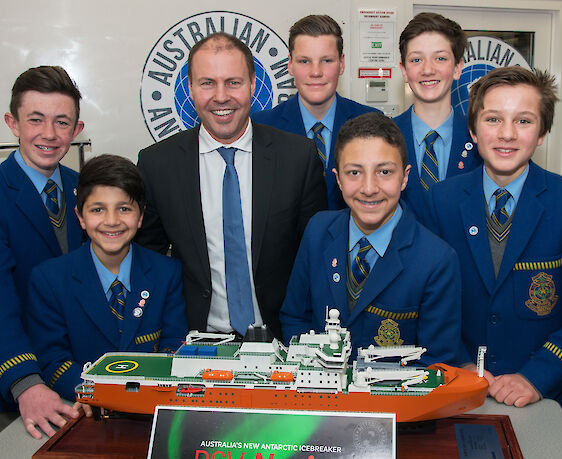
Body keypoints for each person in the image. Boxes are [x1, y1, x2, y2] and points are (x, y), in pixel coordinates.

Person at [423, 66, 562, 418]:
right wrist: (456, 363)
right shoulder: (440, 201)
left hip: (543, 398)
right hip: (455, 391)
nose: (506, 134)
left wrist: (536, 377)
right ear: (473, 129)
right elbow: (428, 302)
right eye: (493, 119)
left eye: (523, 121)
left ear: (543, 132)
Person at [136, 32, 327, 341]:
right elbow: (148, 262)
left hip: (282, 340)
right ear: (190, 89)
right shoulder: (157, 165)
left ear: (253, 84)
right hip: (193, 341)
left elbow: (316, 256)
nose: (221, 96)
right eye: (207, 83)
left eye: (233, 82)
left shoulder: (298, 157)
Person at [280, 112, 461, 365]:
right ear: (338, 180)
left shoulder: (436, 260)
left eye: (384, 171)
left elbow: (436, 361)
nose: (369, 188)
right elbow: (295, 317)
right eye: (354, 173)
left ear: (405, 177)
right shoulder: (318, 231)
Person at [26, 154, 188, 402]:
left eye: (124, 209)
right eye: (97, 209)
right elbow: (53, 360)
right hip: (83, 406)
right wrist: (99, 394)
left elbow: (174, 345)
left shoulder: (167, 272)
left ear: (141, 216)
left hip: (152, 403)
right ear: (80, 216)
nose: (112, 221)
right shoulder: (49, 279)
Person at [0, 66, 86, 438]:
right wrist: (25, 383)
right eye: (36, 120)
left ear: (77, 131)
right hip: (20, 392)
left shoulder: (84, 189)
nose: (49, 134)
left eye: (62, 122)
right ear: (12, 123)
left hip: (76, 381)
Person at [252, 14, 379, 210]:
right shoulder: (261, 127)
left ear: (341, 63)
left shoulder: (372, 122)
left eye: (326, 60)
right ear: (290, 65)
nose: (316, 72)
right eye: (304, 61)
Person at [393, 12, 481, 221]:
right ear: (404, 70)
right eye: (416, 60)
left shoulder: (481, 140)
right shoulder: (384, 138)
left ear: (458, 67)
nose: (428, 69)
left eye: (440, 58)